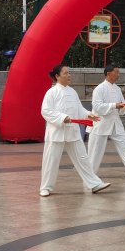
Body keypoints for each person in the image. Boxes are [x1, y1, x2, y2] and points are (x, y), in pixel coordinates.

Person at [40, 64, 110, 197]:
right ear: (57, 76)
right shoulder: (51, 92)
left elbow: (79, 109)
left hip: (72, 131)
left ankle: (94, 183)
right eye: (66, 73)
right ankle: (46, 187)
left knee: (82, 158)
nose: (69, 75)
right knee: (51, 160)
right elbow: (46, 111)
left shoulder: (72, 92)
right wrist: (62, 118)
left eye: (69, 73)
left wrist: (88, 114)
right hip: (56, 132)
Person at [87, 64, 125, 178]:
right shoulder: (99, 89)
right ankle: (90, 175)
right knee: (95, 151)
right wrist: (114, 106)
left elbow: (121, 104)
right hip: (100, 123)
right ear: (108, 73)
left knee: (124, 146)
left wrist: (123, 107)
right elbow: (97, 107)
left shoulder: (117, 89)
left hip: (115, 122)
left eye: (119, 72)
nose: (118, 75)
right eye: (116, 72)